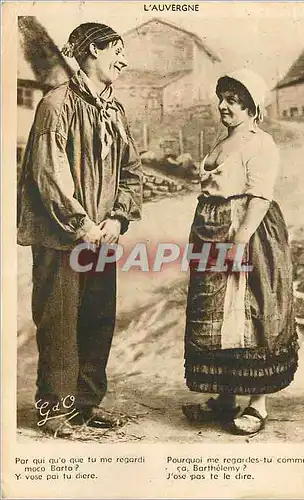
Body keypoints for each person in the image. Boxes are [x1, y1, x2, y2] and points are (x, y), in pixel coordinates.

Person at [17, 23, 143, 434]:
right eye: (116, 51)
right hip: (62, 238)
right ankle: (55, 409)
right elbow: (48, 175)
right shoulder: (57, 105)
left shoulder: (115, 111)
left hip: (102, 236)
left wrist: (118, 218)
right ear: (92, 51)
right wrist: (83, 224)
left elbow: (132, 171)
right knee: (60, 320)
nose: (123, 59)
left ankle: (85, 405)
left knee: (97, 319)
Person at [182, 69, 298, 435]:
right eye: (224, 99)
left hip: (245, 236)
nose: (224, 106)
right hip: (212, 233)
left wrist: (240, 242)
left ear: (251, 108)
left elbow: (260, 196)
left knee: (247, 314)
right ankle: (226, 398)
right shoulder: (224, 141)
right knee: (216, 315)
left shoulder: (259, 143)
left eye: (233, 101)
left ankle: (257, 404)